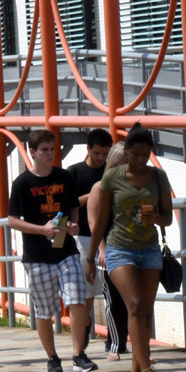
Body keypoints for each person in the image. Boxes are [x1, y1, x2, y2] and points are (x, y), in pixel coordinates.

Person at [85, 123, 172, 372]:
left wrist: (154, 218)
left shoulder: (158, 177)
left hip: (149, 249)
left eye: (145, 155)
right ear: (127, 151)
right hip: (119, 248)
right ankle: (146, 370)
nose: (140, 160)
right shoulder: (112, 178)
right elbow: (101, 221)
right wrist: (91, 258)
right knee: (134, 303)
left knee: (144, 312)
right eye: (136, 155)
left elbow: (167, 218)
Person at [8, 129, 96, 372]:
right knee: (45, 309)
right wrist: (41, 229)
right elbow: (12, 220)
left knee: (77, 299)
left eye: (51, 149)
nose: (49, 154)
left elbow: (72, 206)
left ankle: (78, 354)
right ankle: (52, 357)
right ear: (32, 152)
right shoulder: (22, 184)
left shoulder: (64, 177)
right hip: (37, 256)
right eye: (44, 150)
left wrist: (73, 225)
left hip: (66, 250)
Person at [67, 129, 114, 354]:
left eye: (105, 153)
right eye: (97, 153)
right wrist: (95, 194)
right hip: (84, 238)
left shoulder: (111, 170)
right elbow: (68, 204)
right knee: (85, 294)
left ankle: (114, 340)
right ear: (88, 149)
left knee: (112, 291)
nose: (101, 158)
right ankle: (83, 333)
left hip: (111, 236)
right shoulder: (74, 172)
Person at [86, 142, 130, 360]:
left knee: (137, 302)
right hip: (111, 249)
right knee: (113, 300)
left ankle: (140, 346)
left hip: (133, 247)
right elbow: (95, 223)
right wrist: (100, 249)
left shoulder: (136, 185)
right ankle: (115, 344)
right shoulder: (100, 187)